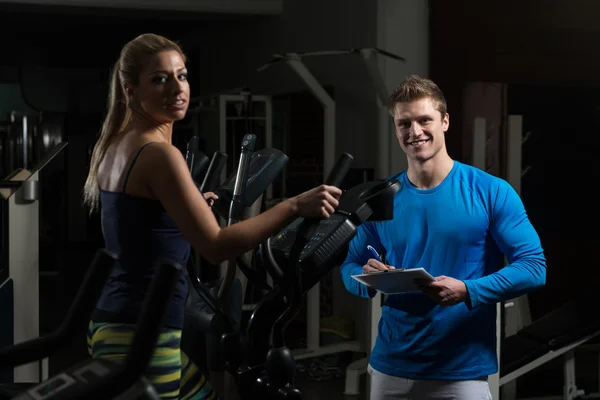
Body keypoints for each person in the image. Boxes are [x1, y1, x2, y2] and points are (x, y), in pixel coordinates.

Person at [82, 33, 342, 400]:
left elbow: (140, 216)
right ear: (130, 90)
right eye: (159, 79)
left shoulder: (118, 143)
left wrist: (189, 204)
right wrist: (293, 206)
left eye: (182, 75)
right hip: (142, 330)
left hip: (114, 320)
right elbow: (216, 246)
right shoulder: (159, 154)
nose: (177, 87)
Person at [339, 75, 546, 399]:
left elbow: (534, 267)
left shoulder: (490, 192)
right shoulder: (380, 199)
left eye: (424, 120)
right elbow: (349, 264)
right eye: (404, 123)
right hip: (390, 369)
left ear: (445, 121)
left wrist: (468, 290)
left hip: (462, 374)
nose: (415, 132)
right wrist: (364, 277)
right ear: (396, 129)